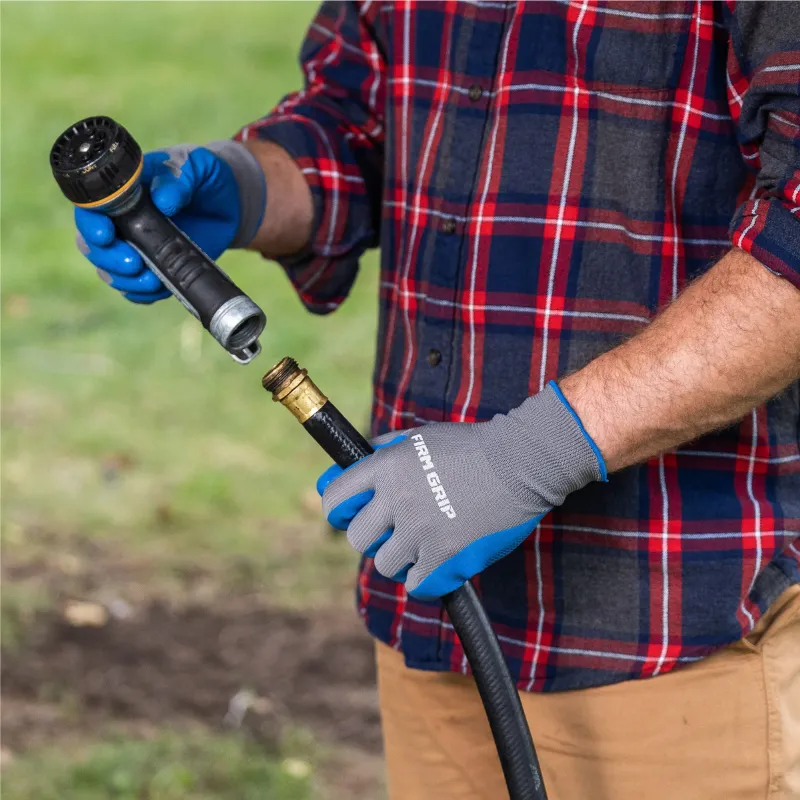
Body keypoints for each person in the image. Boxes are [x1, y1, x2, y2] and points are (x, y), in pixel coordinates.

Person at [74, 2, 800, 797]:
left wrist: (529, 455)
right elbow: (354, 116)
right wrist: (248, 186)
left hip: (672, 634)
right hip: (434, 615)